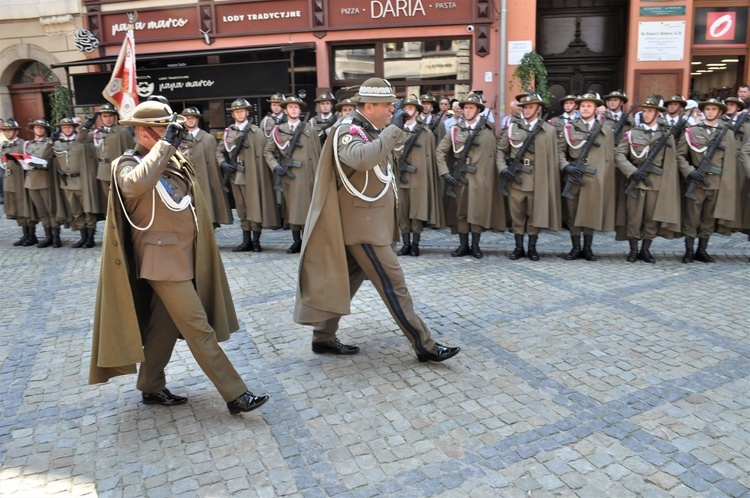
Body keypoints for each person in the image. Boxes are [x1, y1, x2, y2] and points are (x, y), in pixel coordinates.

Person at [89, 100, 268, 415]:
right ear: (144, 133)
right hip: (161, 263)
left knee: (164, 327)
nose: (172, 135)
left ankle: (151, 385)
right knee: (199, 328)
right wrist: (163, 148)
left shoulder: (171, 160)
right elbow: (134, 186)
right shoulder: (127, 164)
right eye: (163, 129)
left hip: (184, 257)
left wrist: (167, 150)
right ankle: (235, 394)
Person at [293, 77, 460, 363]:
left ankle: (322, 337)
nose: (392, 110)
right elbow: (360, 160)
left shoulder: (372, 129)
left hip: (368, 223)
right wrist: (394, 128)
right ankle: (424, 344)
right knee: (395, 285)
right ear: (368, 106)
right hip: (364, 228)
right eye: (387, 105)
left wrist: (390, 130)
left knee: (343, 281)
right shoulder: (347, 129)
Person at [436, 93, 506, 258]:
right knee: (461, 212)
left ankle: (475, 245)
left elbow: (492, 154)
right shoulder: (455, 130)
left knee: (476, 212)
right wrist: (444, 172)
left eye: (471, 108)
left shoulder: (486, 130)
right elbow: (440, 151)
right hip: (460, 178)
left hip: (479, 178)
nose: (467, 111)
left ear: (478, 110)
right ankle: (463, 245)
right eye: (465, 107)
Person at [614, 97, 681, 263]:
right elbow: (619, 154)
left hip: (656, 183)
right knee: (633, 218)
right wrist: (632, 171)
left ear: (657, 113)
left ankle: (646, 249)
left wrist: (667, 184)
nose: (646, 114)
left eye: (650, 111)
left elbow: (670, 162)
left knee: (651, 218)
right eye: (644, 111)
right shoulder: (632, 134)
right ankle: (633, 249)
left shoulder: (665, 136)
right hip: (635, 182)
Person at [496, 93, 562, 261]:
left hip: (537, 179)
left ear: (538, 109)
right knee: (517, 215)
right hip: (516, 179)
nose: (526, 110)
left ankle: (532, 247)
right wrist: (502, 169)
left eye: (530, 107)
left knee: (534, 215)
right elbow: (501, 151)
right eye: (524, 107)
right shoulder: (513, 127)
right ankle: (518, 247)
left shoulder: (548, 131)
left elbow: (553, 157)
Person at [676, 98, 739, 263]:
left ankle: (702, 250)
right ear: (703, 112)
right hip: (696, 182)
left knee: (708, 218)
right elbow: (680, 155)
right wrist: (690, 172)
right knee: (692, 217)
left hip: (717, 182)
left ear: (720, 113)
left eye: (713, 109)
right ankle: (689, 250)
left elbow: (731, 161)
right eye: (708, 109)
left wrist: (727, 185)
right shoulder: (692, 131)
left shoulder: (727, 133)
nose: (710, 111)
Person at [558, 93, 616, 260]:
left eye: (589, 106)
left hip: (594, 179)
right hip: (573, 177)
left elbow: (609, 155)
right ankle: (575, 248)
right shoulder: (569, 127)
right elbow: (559, 150)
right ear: (578, 108)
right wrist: (566, 166)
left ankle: (588, 248)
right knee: (573, 213)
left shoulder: (605, 129)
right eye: (582, 106)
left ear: (595, 109)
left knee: (590, 213)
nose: (585, 108)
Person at [217, 98, 280, 252]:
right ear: (233, 114)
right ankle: (246, 240)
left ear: (246, 112)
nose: (239, 114)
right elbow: (219, 151)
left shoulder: (256, 132)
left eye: (242, 111)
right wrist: (223, 163)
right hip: (235, 177)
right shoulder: (228, 132)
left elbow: (265, 152)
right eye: (237, 112)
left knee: (254, 207)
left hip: (253, 176)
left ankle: (256, 241)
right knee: (242, 209)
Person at [263, 95, 321, 253]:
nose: (294, 109)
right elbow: (267, 151)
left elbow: (317, 152)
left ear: (300, 110)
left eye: (296, 107)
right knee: (293, 210)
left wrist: (318, 175)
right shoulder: (279, 130)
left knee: (308, 209)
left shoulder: (309, 129)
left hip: (308, 176)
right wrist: (275, 166)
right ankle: (297, 241)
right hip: (290, 176)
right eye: (290, 107)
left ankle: (309, 240)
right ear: (285, 110)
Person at [393, 95, 445, 257]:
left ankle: (415, 244)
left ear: (417, 112)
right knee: (402, 213)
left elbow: (430, 158)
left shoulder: (425, 133)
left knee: (417, 212)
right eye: (405, 108)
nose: (407, 111)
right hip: (400, 179)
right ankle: (405, 244)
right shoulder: (395, 131)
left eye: (410, 108)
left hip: (418, 180)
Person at [52, 117, 102, 248]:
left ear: (74, 128)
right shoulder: (57, 143)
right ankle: (83, 236)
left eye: (69, 126)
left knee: (88, 210)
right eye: (64, 127)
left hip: (82, 181)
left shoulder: (82, 140)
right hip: (67, 182)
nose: (67, 129)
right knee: (76, 211)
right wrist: (49, 141)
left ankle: (90, 237)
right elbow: (50, 158)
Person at [179, 107, 232, 228]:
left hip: (207, 182)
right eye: (187, 118)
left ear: (198, 120)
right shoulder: (181, 139)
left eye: (193, 118)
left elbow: (213, 167)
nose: (190, 120)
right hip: (188, 182)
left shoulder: (208, 138)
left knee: (209, 210)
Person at [77, 103, 135, 204]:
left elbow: (130, 150)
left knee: (122, 198)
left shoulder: (122, 131)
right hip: (103, 171)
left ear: (115, 117)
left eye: (110, 116)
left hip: (118, 170)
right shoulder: (97, 133)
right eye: (105, 116)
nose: (108, 119)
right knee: (109, 200)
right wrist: (87, 125)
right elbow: (80, 139)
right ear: (101, 118)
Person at [24, 118, 66, 248]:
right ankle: (48, 236)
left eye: (42, 128)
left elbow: (45, 157)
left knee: (50, 209)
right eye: (37, 127)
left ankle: (56, 236)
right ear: (33, 129)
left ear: (46, 130)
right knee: (41, 211)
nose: (39, 130)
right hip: (31, 180)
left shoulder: (50, 143)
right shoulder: (28, 144)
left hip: (45, 180)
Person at [2, 118, 36, 245]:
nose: (8, 133)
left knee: (25, 206)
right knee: (16, 207)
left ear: (16, 131)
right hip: (9, 178)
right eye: (6, 131)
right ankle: (24, 233)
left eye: (10, 130)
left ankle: (31, 234)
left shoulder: (23, 144)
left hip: (20, 178)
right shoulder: (4, 144)